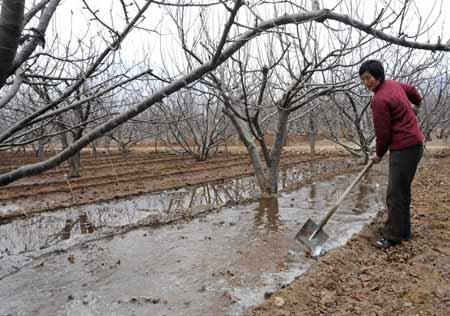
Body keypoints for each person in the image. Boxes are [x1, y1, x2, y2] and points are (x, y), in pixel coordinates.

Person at [359, 60, 424, 249]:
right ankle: (403, 231)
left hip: (404, 147)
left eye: (368, 78)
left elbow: (383, 134)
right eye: (362, 79)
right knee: (402, 190)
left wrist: (378, 154)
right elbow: (412, 90)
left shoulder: (378, 100)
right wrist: (417, 105)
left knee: (395, 194)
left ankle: (393, 236)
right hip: (414, 145)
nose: (365, 83)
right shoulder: (394, 85)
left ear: (378, 76)